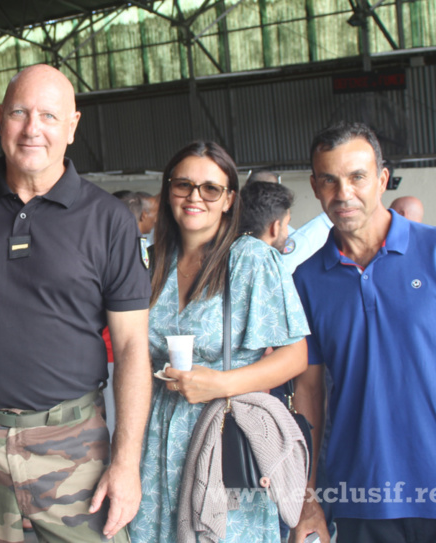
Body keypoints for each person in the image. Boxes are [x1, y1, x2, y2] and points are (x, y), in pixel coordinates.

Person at [0, 64, 152, 542]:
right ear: (0, 118)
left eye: (48, 115)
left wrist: (126, 464)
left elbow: (130, 349)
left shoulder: (108, 221)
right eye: (19, 113)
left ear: (72, 126)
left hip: (73, 444)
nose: (32, 129)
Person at [131, 141, 309, 543]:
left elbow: (295, 354)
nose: (195, 197)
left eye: (211, 188)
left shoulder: (249, 259)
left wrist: (221, 383)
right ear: (167, 192)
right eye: (183, 185)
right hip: (153, 435)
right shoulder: (150, 260)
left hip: (221, 433)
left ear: (229, 199)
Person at [291, 122, 436, 543]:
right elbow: (309, 395)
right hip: (360, 493)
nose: (343, 193)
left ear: (382, 179)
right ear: (314, 186)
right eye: (329, 180)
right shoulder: (307, 281)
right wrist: (308, 500)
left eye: (357, 177)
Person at [240, 180, 295, 252]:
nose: (287, 233)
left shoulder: (225, 253)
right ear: (275, 228)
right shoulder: (269, 261)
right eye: (286, 224)